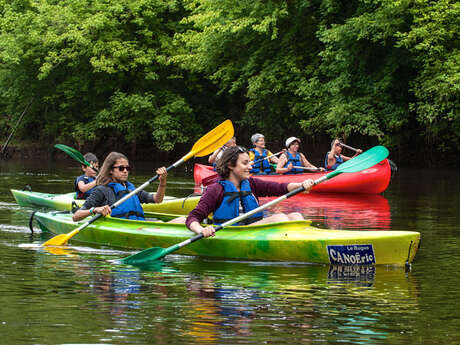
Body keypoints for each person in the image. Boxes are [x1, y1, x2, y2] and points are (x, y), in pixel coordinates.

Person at [180, 146, 315, 237]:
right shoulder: (216, 189)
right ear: (230, 165)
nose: (250, 166)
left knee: (296, 216)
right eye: (245, 163)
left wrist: (301, 185)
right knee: (280, 218)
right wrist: (202, 230)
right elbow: (193, 218)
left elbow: (280, 187)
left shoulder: (251, 183)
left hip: (252, 231)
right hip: (231, 233)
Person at [72, 152, 167, 222]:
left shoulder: (131, 188)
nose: (125, 171)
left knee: (181, 220)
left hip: (140, 225)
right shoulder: (102, 190)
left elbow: (157, 199)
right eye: (121, 168)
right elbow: (76, 216)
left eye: (127, 168)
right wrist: (95, 209)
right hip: (122, 227)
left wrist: (162, 181)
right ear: (110, 170)